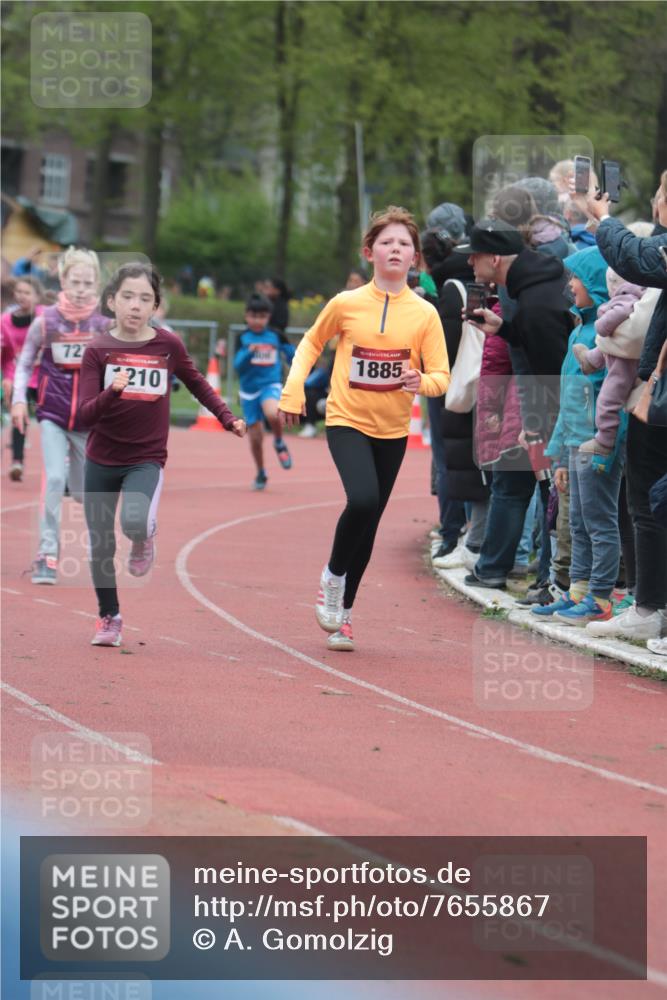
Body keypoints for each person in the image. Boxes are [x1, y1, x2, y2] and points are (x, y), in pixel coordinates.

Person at [279, 206, 449, 652]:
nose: (396, 249)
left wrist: (421, 381)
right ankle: (332, 576)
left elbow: (441, 376)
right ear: (369, 252)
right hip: (346, 419)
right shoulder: (346, 303)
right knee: (363, 499)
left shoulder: (425, 314)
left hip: (391, 429)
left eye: (405, 244)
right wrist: (294, 390)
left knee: (369, 522)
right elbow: (311, 343)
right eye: (387, 242)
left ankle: (345, 616)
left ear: (416, 258)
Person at [77, 262, 245, 647]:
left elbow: (197, 382)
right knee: (100, 541)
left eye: (145, 299)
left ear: (156, 306)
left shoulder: (167, 345)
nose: (136, 306)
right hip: (100, 458)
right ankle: (109, 616)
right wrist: (111, 393)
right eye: (128, 297)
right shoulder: (97, 350)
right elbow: (85, 414)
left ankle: (144, 536)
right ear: (111, 301)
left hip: (145, 457)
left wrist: (226, 416)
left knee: (133, 523)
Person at [576, 174, 667, 644]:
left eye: (662, 196)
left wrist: (604, 218)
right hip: (654, 390)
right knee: (646, 501)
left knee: (656, 501)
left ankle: (652, 607)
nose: (656, 204)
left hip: (659, 391)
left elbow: (637, 258)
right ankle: (649, 606)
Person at [458, 219, 572, 591]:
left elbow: (554, 369)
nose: (471, 265)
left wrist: (539, 424)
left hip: (557, 410)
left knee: (554, 496)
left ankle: (550, 585)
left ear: (495, 258)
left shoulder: (535, 300)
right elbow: (535, 345)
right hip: (547, 403)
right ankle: (545, 581)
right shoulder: (529, 287)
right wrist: (502, 329)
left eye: (475, 257)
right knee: (541, 492)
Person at [536, 246, 624, 627]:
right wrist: (557, 455)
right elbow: (568, 398)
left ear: (595, 284)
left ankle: (601, 597)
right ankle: (578, 591)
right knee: (576, 522)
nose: (570, 285)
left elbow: (613, 397)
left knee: (598, 520)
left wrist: (607, 446)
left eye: (576, 278)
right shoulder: (579, 332)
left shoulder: (606, 336)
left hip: (596, 444)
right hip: (573, 445)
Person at [11, 247, 109, 585]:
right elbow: (25, 363)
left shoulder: (103, 324)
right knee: (53, 480)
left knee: (84, 494)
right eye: (75, 281)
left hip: (88, 422)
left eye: (88, 282)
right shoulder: (46, 320)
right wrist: (19, 402)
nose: (81, 288)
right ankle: (47, 554)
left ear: (96, 283)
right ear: (63, 280)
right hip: (52, 414)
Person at [234, 292, 295, 490]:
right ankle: (261, 472)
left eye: (262, 317)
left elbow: (292, 355)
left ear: (268, 317)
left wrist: (297, 367)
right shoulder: (242, 337)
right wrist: (247, 353)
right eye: (254, 316)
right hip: (248, 391)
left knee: (272, 412)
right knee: (256, 438)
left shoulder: (275, 335)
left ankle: (278, 442)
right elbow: (237, 366)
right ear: (246, 316)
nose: (258, 321)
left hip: (270, 384)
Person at [1, 276, 44, 480]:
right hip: (20, 376)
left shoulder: (46, 317)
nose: (22, 296)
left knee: (52, 421)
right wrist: (7, 378)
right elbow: (6, 355)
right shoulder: (4, 321)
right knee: (20, 417)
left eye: (27, 292)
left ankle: (65, 464)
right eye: (19, 292)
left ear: (37, 296)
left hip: (46, 376)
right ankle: (17, 461)